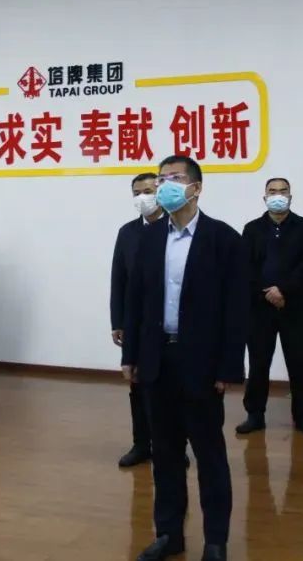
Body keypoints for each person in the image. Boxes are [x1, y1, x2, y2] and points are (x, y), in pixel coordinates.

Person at [121, 155, 248, 561]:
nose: (165, 186)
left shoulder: (224, 239)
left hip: (202, 365)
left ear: (196, 188)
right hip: (157, 360)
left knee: (209, 455)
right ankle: (169, 533)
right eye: (161, 179)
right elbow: (135, 301)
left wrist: (229, 367)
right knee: (165, 454)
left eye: (174, 178)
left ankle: (215, 540)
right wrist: (130, 355)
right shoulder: (148, 239)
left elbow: (236, 309)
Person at [236, 177, 303, 436]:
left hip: (295, 307)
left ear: (290, 197)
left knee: (299, 363)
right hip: (259, 309)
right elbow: (246, 267)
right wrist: (268, 293)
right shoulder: (252, 229)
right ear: (265, 197)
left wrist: (282, 290)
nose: (278, 195)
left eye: (283, 191)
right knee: (259, 363)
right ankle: (255, 415)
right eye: (272, 191)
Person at [110, 172, 166, 467]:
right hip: (137, 323)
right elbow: (118, 279)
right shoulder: (128, 232)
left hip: (169, 323)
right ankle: (141, 444)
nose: (143, 197)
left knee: (170, 389)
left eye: (148, 190)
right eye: (137, 192)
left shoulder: (174, 228)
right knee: (137, 385)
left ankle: (172, 447)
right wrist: (117, 321)